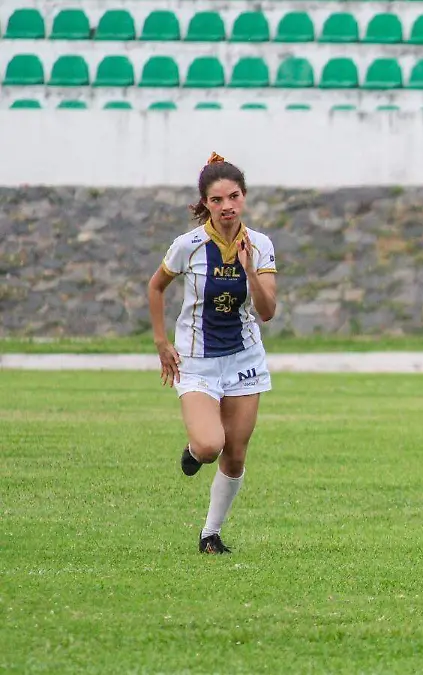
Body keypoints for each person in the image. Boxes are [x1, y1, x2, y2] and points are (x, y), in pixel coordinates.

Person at [147, 152, 279, 555]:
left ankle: (210, 534)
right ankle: (192, 452)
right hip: (197, 360)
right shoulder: (187, 246)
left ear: (244, 197)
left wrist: (250, 270)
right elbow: (156, 288)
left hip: (244, 359)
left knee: (235, 454)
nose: (227, 207)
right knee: (209, 446)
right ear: (205, 202)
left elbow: (268, 312)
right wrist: (161, 342)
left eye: (234, 197)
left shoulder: (259, 244)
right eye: (217, 200)